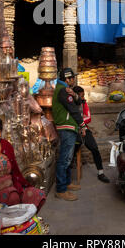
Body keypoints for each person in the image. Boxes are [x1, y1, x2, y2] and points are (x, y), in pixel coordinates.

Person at [52, 68, 87, 201]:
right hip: (66, 127)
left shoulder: (65, 89)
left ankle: (66, 183)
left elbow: (79, 101)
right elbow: (73, 109)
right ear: (67, 79)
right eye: (72, 78)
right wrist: (82, 125)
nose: (74, 80)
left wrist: (74, 94)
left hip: (69, 126)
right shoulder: (62, 90)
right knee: (64, 158)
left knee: (67, 157)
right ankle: (61, 189)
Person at [72, 86, 110, 183]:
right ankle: (69, 171)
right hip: (73, 130)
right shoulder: (70, 104)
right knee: (73, 149)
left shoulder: (84, 103)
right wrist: (79, 122)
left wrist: (79, 121)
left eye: (83, 96)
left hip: (84, 129)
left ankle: (100, 172)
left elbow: (88, 118)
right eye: (81, 96)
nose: (83, 98)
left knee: (94, 148)